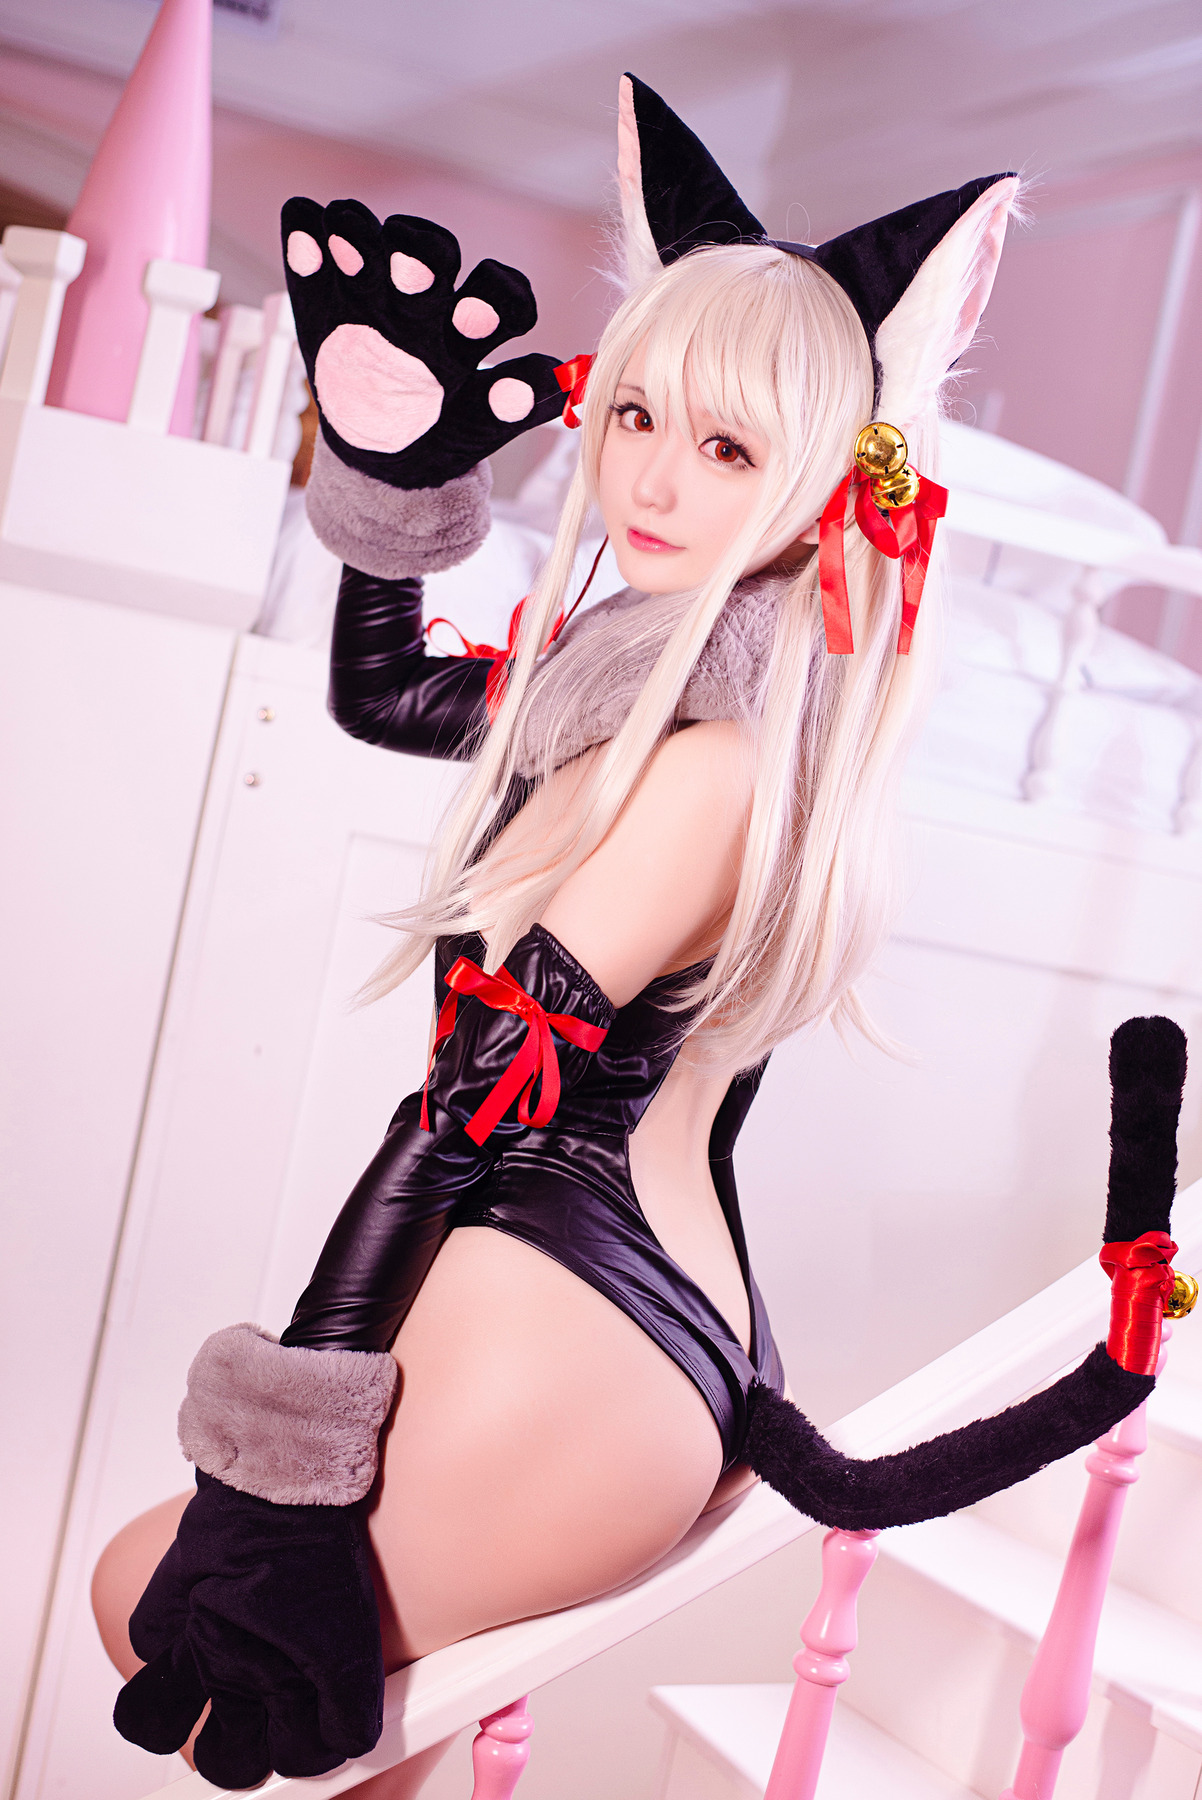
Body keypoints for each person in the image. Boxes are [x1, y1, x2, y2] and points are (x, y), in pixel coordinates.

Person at [91, 74, 1187, 1798]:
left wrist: (280, 1469)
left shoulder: (708, 765)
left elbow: (462, 1112)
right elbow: (390, 693)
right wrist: (396, 480)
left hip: (579, 1314)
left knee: (148, 1598)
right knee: (354, 1745)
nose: (652, 483)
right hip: (589, 1286)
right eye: (634, 417)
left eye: (729, 448)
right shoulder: (639, 691)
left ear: (822, 481)